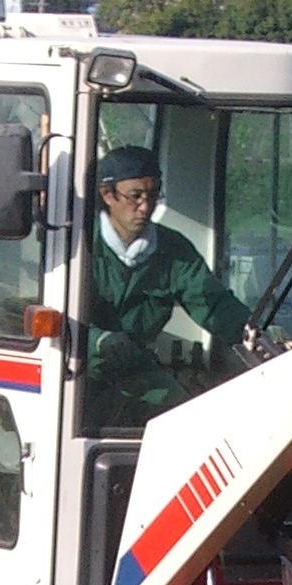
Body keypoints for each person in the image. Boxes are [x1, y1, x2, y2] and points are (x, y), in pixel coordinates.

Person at [82, 142, 256, 427]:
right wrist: (97, 341)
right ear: (108, 195)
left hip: (136, 370)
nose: (145, 207)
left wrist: (256, 337)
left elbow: (214, 304)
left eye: (153, 195)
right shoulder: (79, 244)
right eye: (135, 196)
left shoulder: (173, 249)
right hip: (79, 371)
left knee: (189, 427)